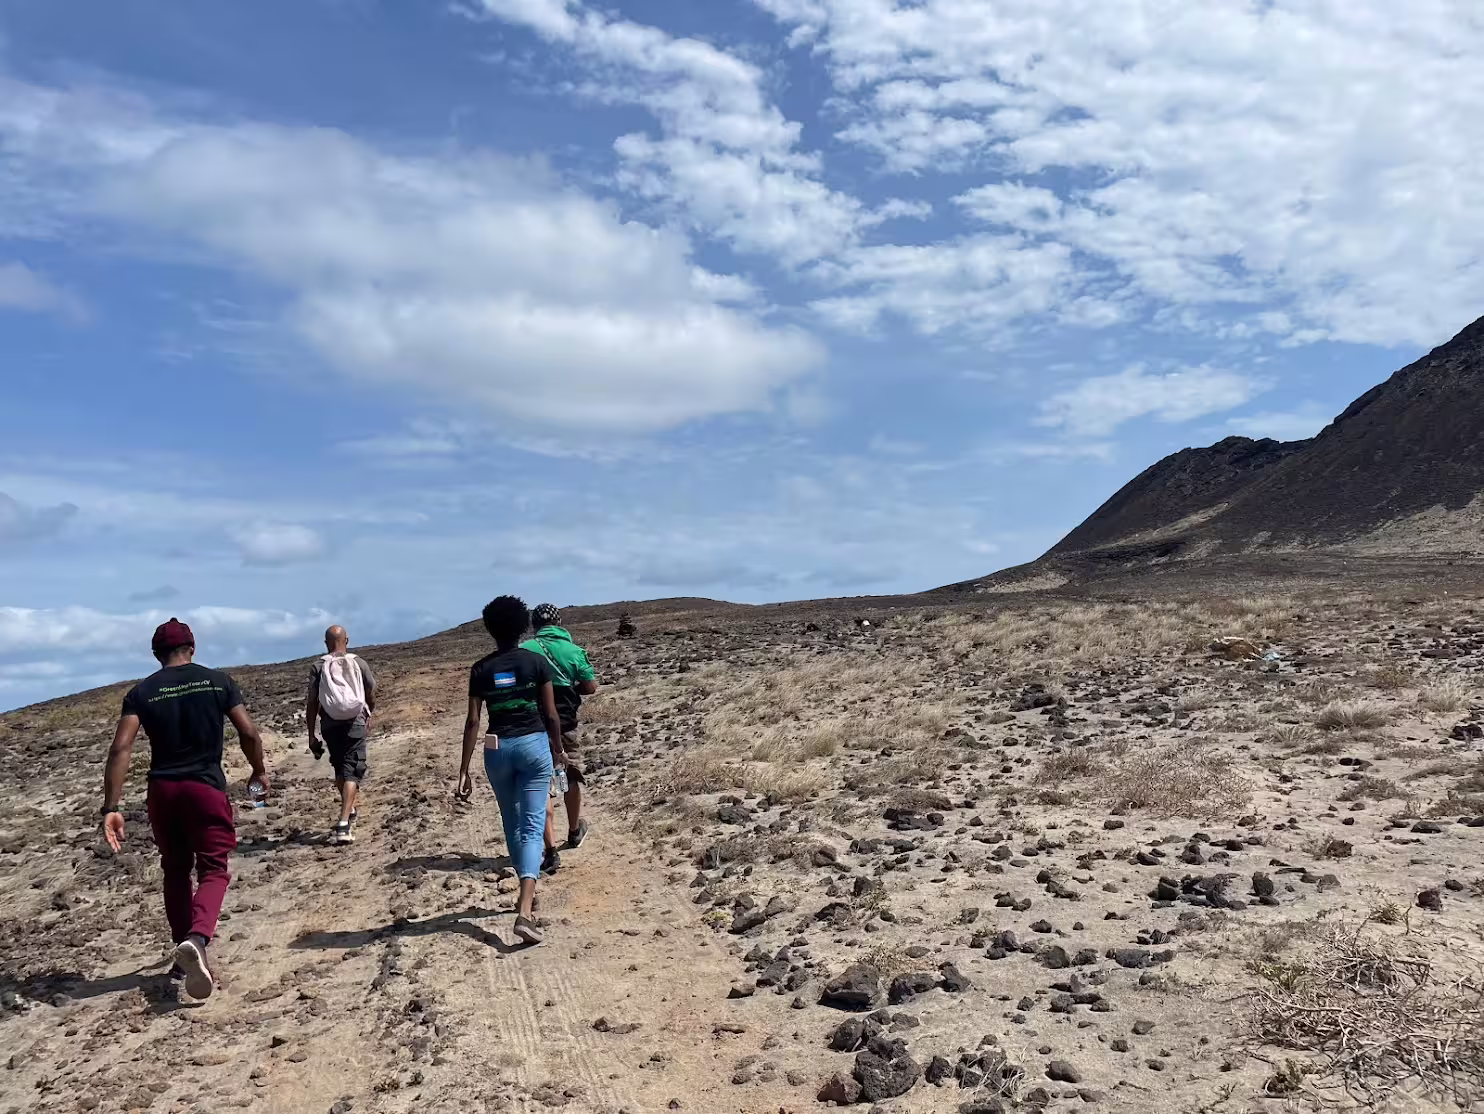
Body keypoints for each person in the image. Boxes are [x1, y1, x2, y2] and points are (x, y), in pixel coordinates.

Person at [101, 618, 269, 1000]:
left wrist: (111, 806)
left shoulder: (141, 692)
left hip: (162, 790)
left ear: (156, 654)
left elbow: (120, 748)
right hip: (204, 788)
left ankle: (184, 956)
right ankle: (197, 938)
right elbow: (248, 732)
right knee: (214, 868)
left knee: (175, 870)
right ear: (191, 648)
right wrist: (257, 771)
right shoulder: (218, 681)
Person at [458, 596, 565, 945]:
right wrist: (559, 750)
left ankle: (526, 894)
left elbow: (473, 721)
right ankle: (524, 909)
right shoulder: (536, 662)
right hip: (534, 746)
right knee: (534, 825)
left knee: (512, 822)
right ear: (523, 627)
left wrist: (463, 769)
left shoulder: (480, 669)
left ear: (489, 628)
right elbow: (551, 715)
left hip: (497, 748)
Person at [521, 604, 598, 874]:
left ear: (533, 625)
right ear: (559, 622)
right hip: (565, 723)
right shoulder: (573, 650)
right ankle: (575, 830)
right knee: (571, 774)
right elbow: (590, 686)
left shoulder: (525, 650)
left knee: (540, 782)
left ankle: (550, 847)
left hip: (531, 725)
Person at [306, 625, 377, 844]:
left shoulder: (318, 666)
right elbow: (371, 691)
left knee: (340, 768)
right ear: (347, 639)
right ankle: (344, 823)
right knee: (352, 771)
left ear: (326, 643)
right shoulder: (359, 663)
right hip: (354, 722)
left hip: (329, 724)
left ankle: (349, 808)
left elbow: (311, 703)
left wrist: (311, 734)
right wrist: (369, 713)